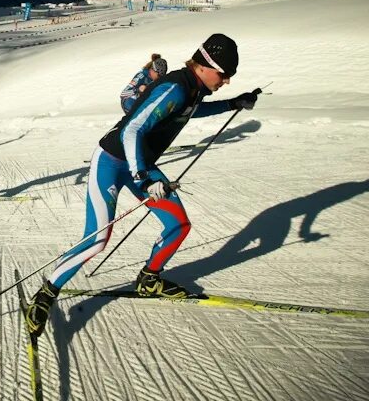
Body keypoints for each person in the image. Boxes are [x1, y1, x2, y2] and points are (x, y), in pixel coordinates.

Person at [25, 34, 259, 336]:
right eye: (224, 75)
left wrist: (232, 103)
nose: (226, 81)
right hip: (111, 162)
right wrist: (143, 179)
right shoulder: (176, 86)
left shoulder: (193, 88)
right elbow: (132, 129)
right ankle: (45, 293)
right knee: (96, 239)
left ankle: (150, 279)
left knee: (178, 224)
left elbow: (190, 110)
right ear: (205, 66)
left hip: (141, 165)